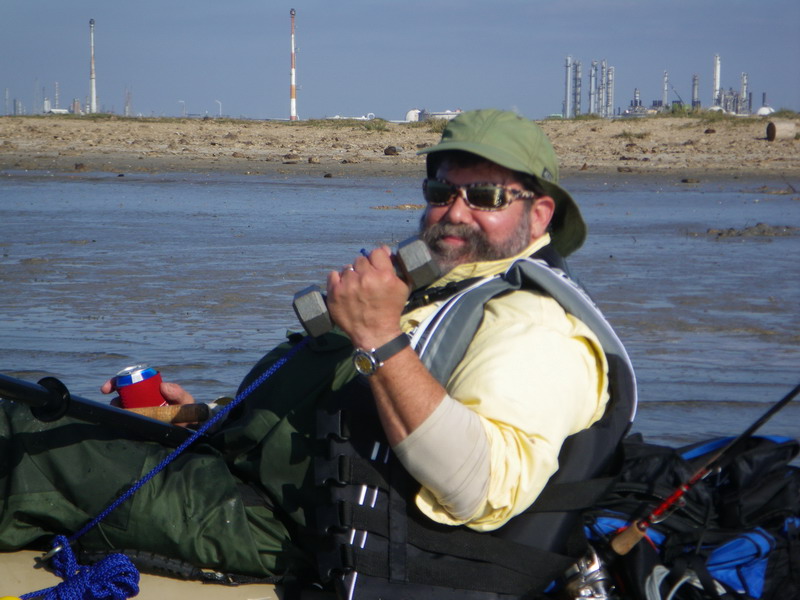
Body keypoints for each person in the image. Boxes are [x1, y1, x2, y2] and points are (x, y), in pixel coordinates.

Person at [0, 109, 635, 598]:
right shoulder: (442, 289)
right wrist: (201, 414)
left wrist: (379, 336)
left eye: (485, 197)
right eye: (441, 191)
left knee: (29, 449)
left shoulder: (535, 326)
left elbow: (481, 487)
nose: (454, 212)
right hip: (239, 473)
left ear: (539, 213)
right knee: (48, 417)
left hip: (286, 531)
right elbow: (339, 413)